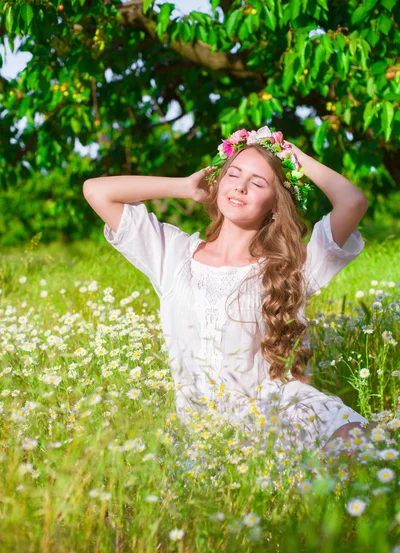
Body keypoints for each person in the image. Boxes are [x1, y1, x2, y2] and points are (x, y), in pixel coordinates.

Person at [83, 125, 375, 456]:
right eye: (234, 174)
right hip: (206, 432)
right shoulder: (173, 255)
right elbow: (96, 190)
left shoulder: (291, 267)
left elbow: (352, 202)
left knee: (366, 444)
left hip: (279, 413)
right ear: (218, 181)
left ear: (275, 204)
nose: (240, 187)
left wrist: (297, 159)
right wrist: (183, 187)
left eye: (258, 182)